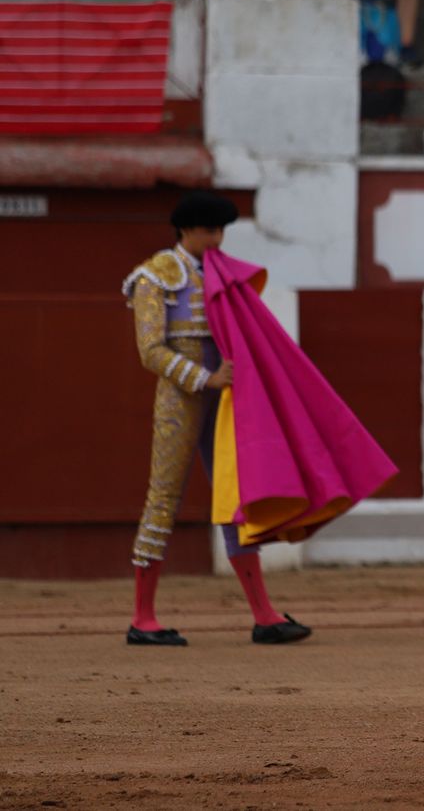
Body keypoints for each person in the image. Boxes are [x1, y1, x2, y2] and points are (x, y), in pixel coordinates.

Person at [123, 191, 310, 647]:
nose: (217, 239)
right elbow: (150, 351)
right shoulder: (154, 276)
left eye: (221, 231)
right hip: (182, 398)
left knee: (234, 493)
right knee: (163, 495)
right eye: (210, 231)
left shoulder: (220, 272)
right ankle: (142, 617)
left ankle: (264, 613)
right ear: (186, 231)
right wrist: (206, 378)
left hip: (226, 397)